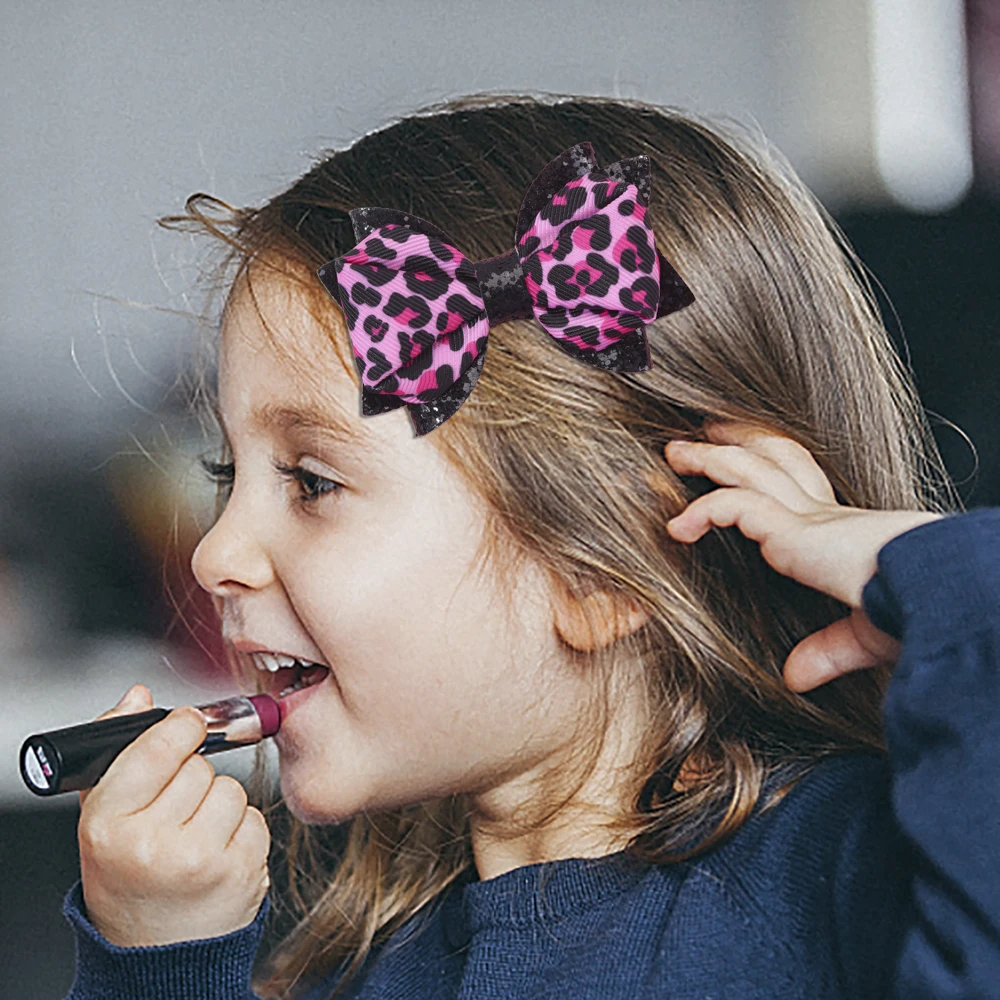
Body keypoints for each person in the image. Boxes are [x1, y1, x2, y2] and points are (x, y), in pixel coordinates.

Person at [59, 93, 999, 999]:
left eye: (312, 482)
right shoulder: (346, 966)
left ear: (600, 567)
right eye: (229, 475)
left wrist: (946, 582)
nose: (214, 552)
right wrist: (165, 965)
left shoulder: (856, 885)